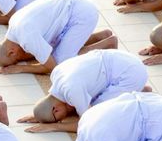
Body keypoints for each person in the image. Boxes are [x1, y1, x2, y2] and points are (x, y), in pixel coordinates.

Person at [20, 49, 149, 133]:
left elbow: (89, 123)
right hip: (118, 56)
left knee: (101, 116)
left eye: (58, 118)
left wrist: (54, 127)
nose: (63, 118)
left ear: (56, 109)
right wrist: (42, 116)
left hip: (131, 73)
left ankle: (137, 92)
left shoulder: (72, 91)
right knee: (91, 106)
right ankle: (138, 90)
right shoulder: (55, 74)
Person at [0, 0, 116, 74]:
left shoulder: (27, 37)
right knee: (53, 48)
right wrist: (0, 58)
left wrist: (21, 68)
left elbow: (54, 67)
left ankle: (108, 43)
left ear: (12, 52)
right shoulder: (14, 26)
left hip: (83, 14)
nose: (21, 59)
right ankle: (101, 36)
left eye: (16, 59)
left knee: (63, 62)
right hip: (72, 5)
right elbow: (38, 51)